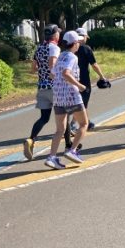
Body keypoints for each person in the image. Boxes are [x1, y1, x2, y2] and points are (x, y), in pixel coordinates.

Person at [44, 30, 88, 170]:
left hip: (58, 97)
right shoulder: (72, 57)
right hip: (71, 96)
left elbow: (52, 74)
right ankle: (72, 150)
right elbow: (66, 73)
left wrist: (60, 83)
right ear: (74, 44)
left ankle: (51, 157)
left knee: (60, 129)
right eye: (78, 42)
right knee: (84, 123)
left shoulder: (61, 55)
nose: (79, 44)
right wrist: (79, 85)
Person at [23, 24, 62, 161]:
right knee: (64, 118)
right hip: (54, 88)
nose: (59, 35)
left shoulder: (39, 48)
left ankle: (31, 140)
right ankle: (69, 147)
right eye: (58, 33)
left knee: (44, 118)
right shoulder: (54, 48)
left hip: (41, 87)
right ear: (55, 35)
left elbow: (33, 69)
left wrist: (42, 71)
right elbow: (53, 67)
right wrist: (60, 78)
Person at [73, 26, 107, 130]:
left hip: (71, 79)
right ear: (83, 37)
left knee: (78, 101)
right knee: (82, 102)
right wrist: (102, 77)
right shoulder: (86, 48)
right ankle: (73, 125)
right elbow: (94, 65)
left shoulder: (70, 48)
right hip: (83, 80)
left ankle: (87, 122)